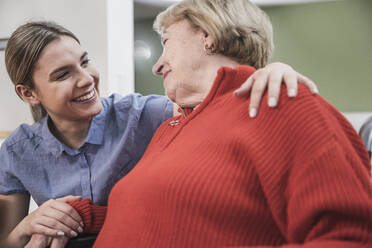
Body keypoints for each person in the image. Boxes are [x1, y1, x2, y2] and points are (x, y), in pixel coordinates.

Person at [66, 0, 372, 247]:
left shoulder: (280, 102)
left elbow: (351, 235)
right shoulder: (169, 128)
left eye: (166, 42)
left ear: (207, 35)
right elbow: (164, 213)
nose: (157, 65)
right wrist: (76, 216)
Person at [0, 20, 317, 248]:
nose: (87, 79)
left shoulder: (143, 115)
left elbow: (222, 101)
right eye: (63, 74)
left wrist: (271, 72)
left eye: (85, 62)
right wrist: (28, 224)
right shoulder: (15, 151)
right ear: (29, 93)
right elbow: (8, 240)